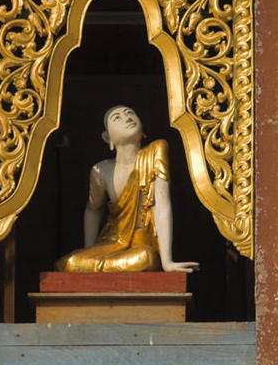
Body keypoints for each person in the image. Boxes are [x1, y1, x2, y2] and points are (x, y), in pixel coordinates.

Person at [54, 105, 199, 273]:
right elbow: (93, 209)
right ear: (107, 137)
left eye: (130, 113)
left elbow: (161, 204)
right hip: (111, 242)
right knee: (69, 262)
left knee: (146, 258)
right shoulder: (101, 170)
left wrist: (167, 262)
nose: (127, 118)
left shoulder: (155, 151)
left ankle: (97, 267)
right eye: (117, 118)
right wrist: (88, 250)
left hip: (140, 247)